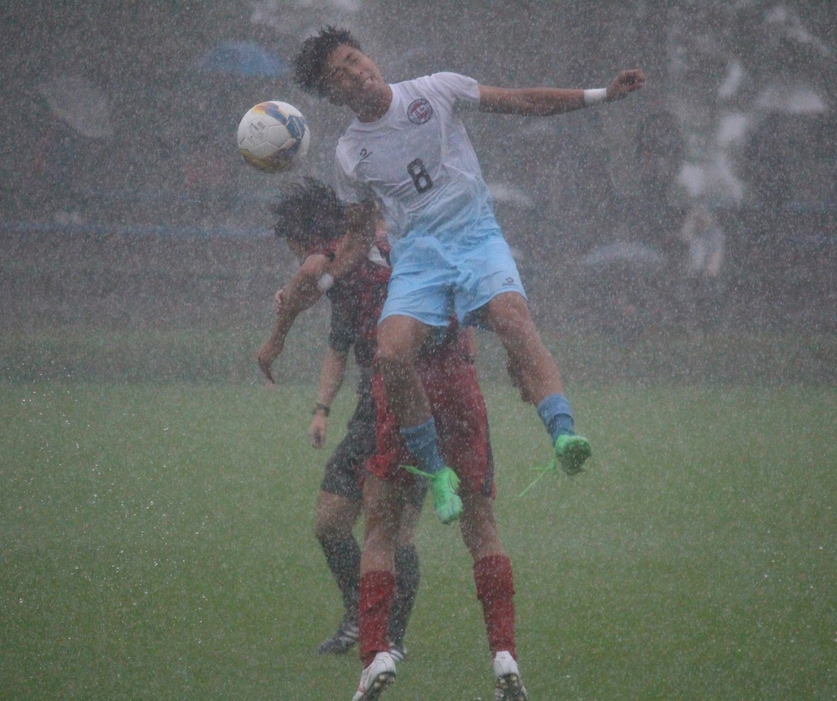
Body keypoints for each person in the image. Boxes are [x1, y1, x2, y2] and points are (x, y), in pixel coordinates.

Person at [292, 26, 645, 526]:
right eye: (338, 75)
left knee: (513, 318)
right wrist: (320, 284)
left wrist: (601, 95)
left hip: (475, 237)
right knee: (391, 353)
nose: (353, 73)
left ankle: (563, 432)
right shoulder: (350, 154)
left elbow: (521, 100)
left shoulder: (436, 89)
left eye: (353, 59)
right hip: (417, 259)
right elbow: (355, 240)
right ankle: (436, 471)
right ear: (332, 95)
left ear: (369, 56)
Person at [257, 178, 530, 701]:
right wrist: (521, 362)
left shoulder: (336, 259)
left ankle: (381, 648)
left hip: (397, 385)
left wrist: (273, 341)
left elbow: (309, 278)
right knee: (478, 526)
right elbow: (487, 303)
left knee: (385, 528)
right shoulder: (412, 239)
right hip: (456, 382)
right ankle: (503, 657)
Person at [257, 178, 423, 660]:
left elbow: (307, 275)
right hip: (376, 400)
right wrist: (322, 410)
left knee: (395, 529)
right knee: (332, 521)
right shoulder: (356, 260)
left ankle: (391, 637)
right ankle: (360, 616)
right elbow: (338, 341)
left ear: (302, 236)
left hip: (410, 392)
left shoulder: (336, 256)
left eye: (290, 244)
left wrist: (278, 327)